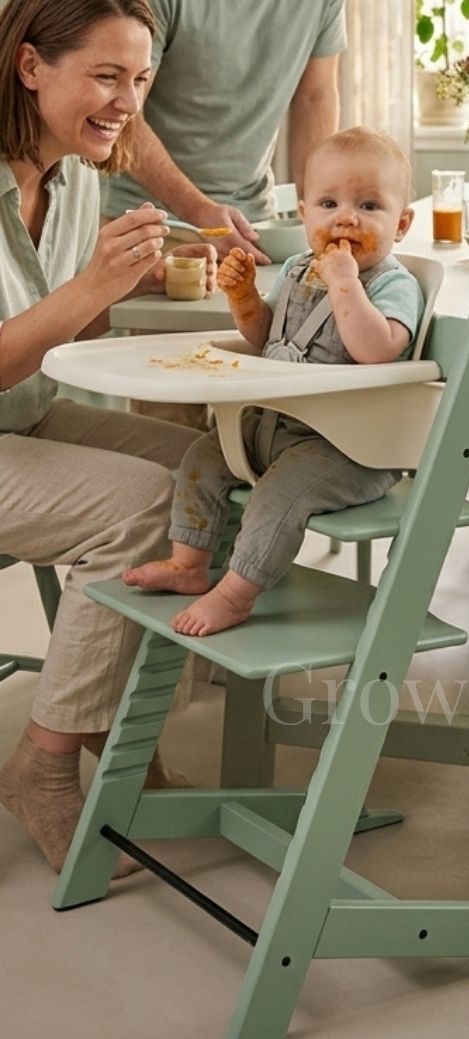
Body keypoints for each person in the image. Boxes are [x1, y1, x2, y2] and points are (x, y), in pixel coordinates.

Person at [0, 0, 215, 875]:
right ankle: (43, 768)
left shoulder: (78, 174)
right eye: (105, 75)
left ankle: (114, 733)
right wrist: (95, 284)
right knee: (141, 506)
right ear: (30, 67)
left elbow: (67, 341)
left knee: (209, 477)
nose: (127, 100)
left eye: (140, 79)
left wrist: (144, 281)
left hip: (26, 416)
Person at [124, 126, 424, 636]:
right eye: (329, 203)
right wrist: (245, 302)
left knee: (278, 495)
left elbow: (376, 350)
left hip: (351, 448)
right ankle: (188, 563)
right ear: (304, 214)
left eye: (370, 205)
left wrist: (346, 284)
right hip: (280, 430)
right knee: (203, 456)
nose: (346, 217)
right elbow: (270, 340)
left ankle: (239, 593)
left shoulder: (393, 284)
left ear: (402, 224)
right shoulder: (296, 270)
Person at [102, 0, 346, 265]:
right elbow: (121, 112)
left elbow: (315, 99)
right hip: (149, 226)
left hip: (256, 228)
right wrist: (199, 212)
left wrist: (321, 214)